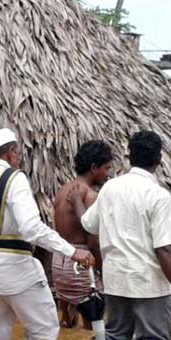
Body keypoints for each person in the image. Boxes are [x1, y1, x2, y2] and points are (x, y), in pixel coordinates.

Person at [0, 128, 94, 340]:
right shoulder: (15, 178)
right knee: (43, 335)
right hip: (17, 268)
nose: (18, 158)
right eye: (18, 153)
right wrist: (72, 251)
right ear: (11, 152)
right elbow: (31, 228)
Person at [81, 131, 171, 340]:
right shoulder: (158, 196)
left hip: (115, 281)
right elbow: (164, 250)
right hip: (149, 285)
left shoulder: (109, 189)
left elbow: (88, 224)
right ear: (159, 159)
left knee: (113, 339)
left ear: (130, 157)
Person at [52, 140, 113, 329]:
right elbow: (93, 241)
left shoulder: (62, 191)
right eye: (106, 168)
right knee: (93, 326)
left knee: (66, 323)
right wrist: (104, 271)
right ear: (94, 168)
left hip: (60, 261)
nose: (108, 173)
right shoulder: (90, 196)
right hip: (82, 263)